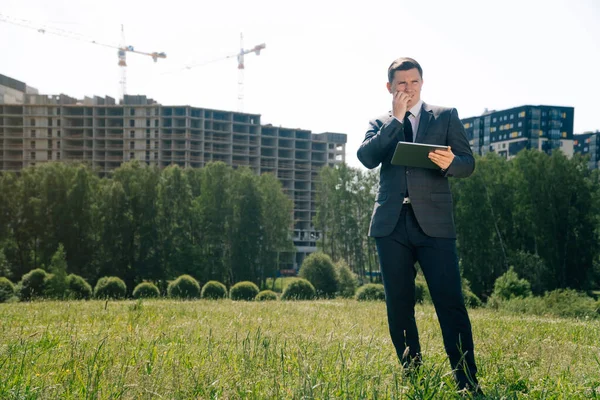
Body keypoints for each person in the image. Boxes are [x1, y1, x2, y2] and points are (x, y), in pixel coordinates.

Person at [357, 57, 482, 394]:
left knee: (450, 302)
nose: (408, 89)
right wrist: (396, 120)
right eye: (401, 84)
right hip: (391, 225)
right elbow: (366, 158)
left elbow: (468, 163)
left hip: (435, 225)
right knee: (399, 304)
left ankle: (466, 382)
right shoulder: (380, 123)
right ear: (390, 88)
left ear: (422, 83)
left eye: (413, 82)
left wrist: (453, 163)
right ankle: (415, 379)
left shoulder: (444, 116)